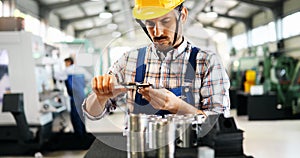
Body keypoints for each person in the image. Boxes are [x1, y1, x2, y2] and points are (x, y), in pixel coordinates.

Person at [82, 0, 230, 120]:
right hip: (139, 149)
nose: (157, 32)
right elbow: (92, 114)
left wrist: (178, 107)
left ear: (183, 16)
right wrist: (99, 97)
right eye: (150, 24)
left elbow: (218, 122)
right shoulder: (129, 61)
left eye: (165, 21)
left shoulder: (206, 62)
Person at [55, 57, 92, 134]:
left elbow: (57, 76)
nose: (65, 65)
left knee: (75, 115)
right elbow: (90, 79)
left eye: (65, 63)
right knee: (82, 113)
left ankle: (78, 134)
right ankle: (83, 131)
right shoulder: (81, 69)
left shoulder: (68, 70)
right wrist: (83, 86)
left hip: (74, 96)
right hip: (81, 94)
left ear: (69, 62)